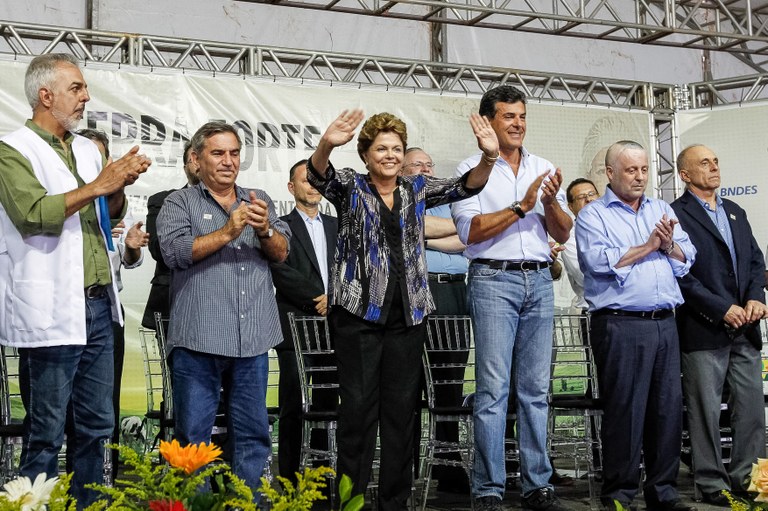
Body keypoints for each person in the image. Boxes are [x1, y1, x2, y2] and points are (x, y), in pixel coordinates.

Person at [306, 109, 495, 510]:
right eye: (381, 148)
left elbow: (466, 186)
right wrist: (326, 144)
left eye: (396, 148)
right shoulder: (351, 186)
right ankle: (352, 500)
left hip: (408, 318)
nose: (390, 155)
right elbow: (318, 176)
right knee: (358, 413)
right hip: (357, 316)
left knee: (401, 414)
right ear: (366, 154)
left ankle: (395, 501)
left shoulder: (416, 188)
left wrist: (489, 156)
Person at [0, 53, 150, 507]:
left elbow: (109, 212)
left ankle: (91, 504)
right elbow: (32, 214)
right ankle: (33, 505)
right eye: (77, 88)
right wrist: (102, 183)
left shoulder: (87, 148)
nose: (86, 96)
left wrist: (118, 185)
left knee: (97, 426)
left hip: (99, 305)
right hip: (51, 307)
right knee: (46, 430)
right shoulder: (11, 149)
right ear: (45, 95)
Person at [451, 85, 572, 511]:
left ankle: (538, 484)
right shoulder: (470, 171)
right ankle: (488, 488)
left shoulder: (543, 167)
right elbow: (471, 232)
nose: (518, 124)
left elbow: (562, 231)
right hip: (492, 280)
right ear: (488, 122)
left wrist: (550, 203)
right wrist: (522, 206)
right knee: (493, 389)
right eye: (509, 116)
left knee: (536, 389)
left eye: (522, 116)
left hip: (538, 280)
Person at [157, 121, 289, 495]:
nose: (228, 161)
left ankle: (247, 503)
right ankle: (196, 505)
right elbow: (175, 253)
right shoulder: (179, 202)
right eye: (218, 153)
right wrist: (228, 232)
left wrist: (265, 230)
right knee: (192, 440)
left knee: (253, 436)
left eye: (234, 153)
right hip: (199, 341)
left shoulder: (258, 198)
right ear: (196, 159)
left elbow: (282, 252)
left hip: (252, 342)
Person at [576, 140, 697, 511]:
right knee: (625, 411)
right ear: (610, 173)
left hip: (665, 323)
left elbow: (688, 255)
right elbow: (597, 262)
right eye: (631, 170)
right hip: (621, 323)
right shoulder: (593, 215)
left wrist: (667, 246)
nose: (640, 177)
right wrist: (648, 246)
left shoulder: (660, 208)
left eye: (644, 169)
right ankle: (619, 493)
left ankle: (663, 491)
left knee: (666, 410)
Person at [671, 144, 768, 506]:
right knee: (705, 413)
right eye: (704, 163)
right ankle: (711, 483)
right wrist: (721, 308)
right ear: (685, 175)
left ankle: (753, 481)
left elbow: (755, 262)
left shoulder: (736, 211)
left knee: (751, 410)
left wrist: (755, 297)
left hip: (745, 328)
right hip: (704, 329)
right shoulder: (674, 214)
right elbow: (681, 275)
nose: (713, 167)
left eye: (715, 161)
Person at [76, 128, 149, 480]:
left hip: (107, 311)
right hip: (68, 309)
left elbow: (129, 260)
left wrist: (132, 246)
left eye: (100, 155)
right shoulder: (70, 196)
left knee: (105, 405)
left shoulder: (116, 201)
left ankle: (107, 480)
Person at [401, 147, 470, 492]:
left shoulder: (450, 201)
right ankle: (407, 467)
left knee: (450, 383)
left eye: (429, 165)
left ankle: (448, 464)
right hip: (417, 291)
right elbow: (407, 229)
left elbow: (466, 236)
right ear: (402, 170)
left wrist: (427, 235)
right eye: (418, 165)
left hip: (455, 292)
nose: (427, 170)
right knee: (409, 384)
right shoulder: (400, 199)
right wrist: (443, 234)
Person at [269, 159, 338, 482]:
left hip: (335, 325)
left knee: (327, 403)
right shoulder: (280, 227)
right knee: (293, 404)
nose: (312, 186)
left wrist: (334, 297)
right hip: (295, 324)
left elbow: (352, 266)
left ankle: (321, 477)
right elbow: (279, 269)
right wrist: (317, 298)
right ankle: (290, 477)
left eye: (316, 180)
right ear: (290, 187)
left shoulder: (337, 225)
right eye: (305, 180)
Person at [141, 141, 199, 331]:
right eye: (193, 158)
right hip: (171, 300)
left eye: (203, 156)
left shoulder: (235, 203)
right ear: (185, 168)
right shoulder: (162, 201)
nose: (198, 162)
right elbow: (159, 250)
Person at [561, 178, 600, 313]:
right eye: (581, 197)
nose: (589, 199)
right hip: (593, 309)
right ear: (571, 207)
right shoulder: (569, 236)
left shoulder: (614, 226)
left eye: (592, 194)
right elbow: (584, 277)